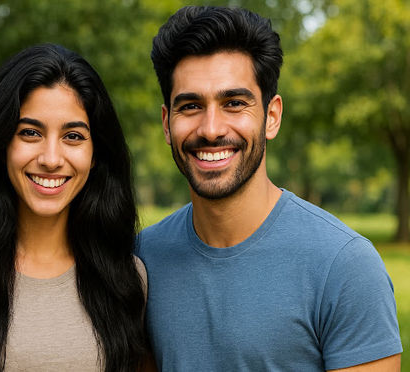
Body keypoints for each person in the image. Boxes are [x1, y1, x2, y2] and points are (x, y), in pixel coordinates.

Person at [136, 6, 402, 371]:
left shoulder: (345, 267)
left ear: (271, 117)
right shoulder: (142, 261)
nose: (211, 129)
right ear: (167, 124)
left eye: (234, 103)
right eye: (191, 105)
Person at [0, 43, 149, 371]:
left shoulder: (125, 277)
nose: (51, 159)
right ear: (1, 143)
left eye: (73, 137)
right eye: (30, 133)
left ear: (96, 155)